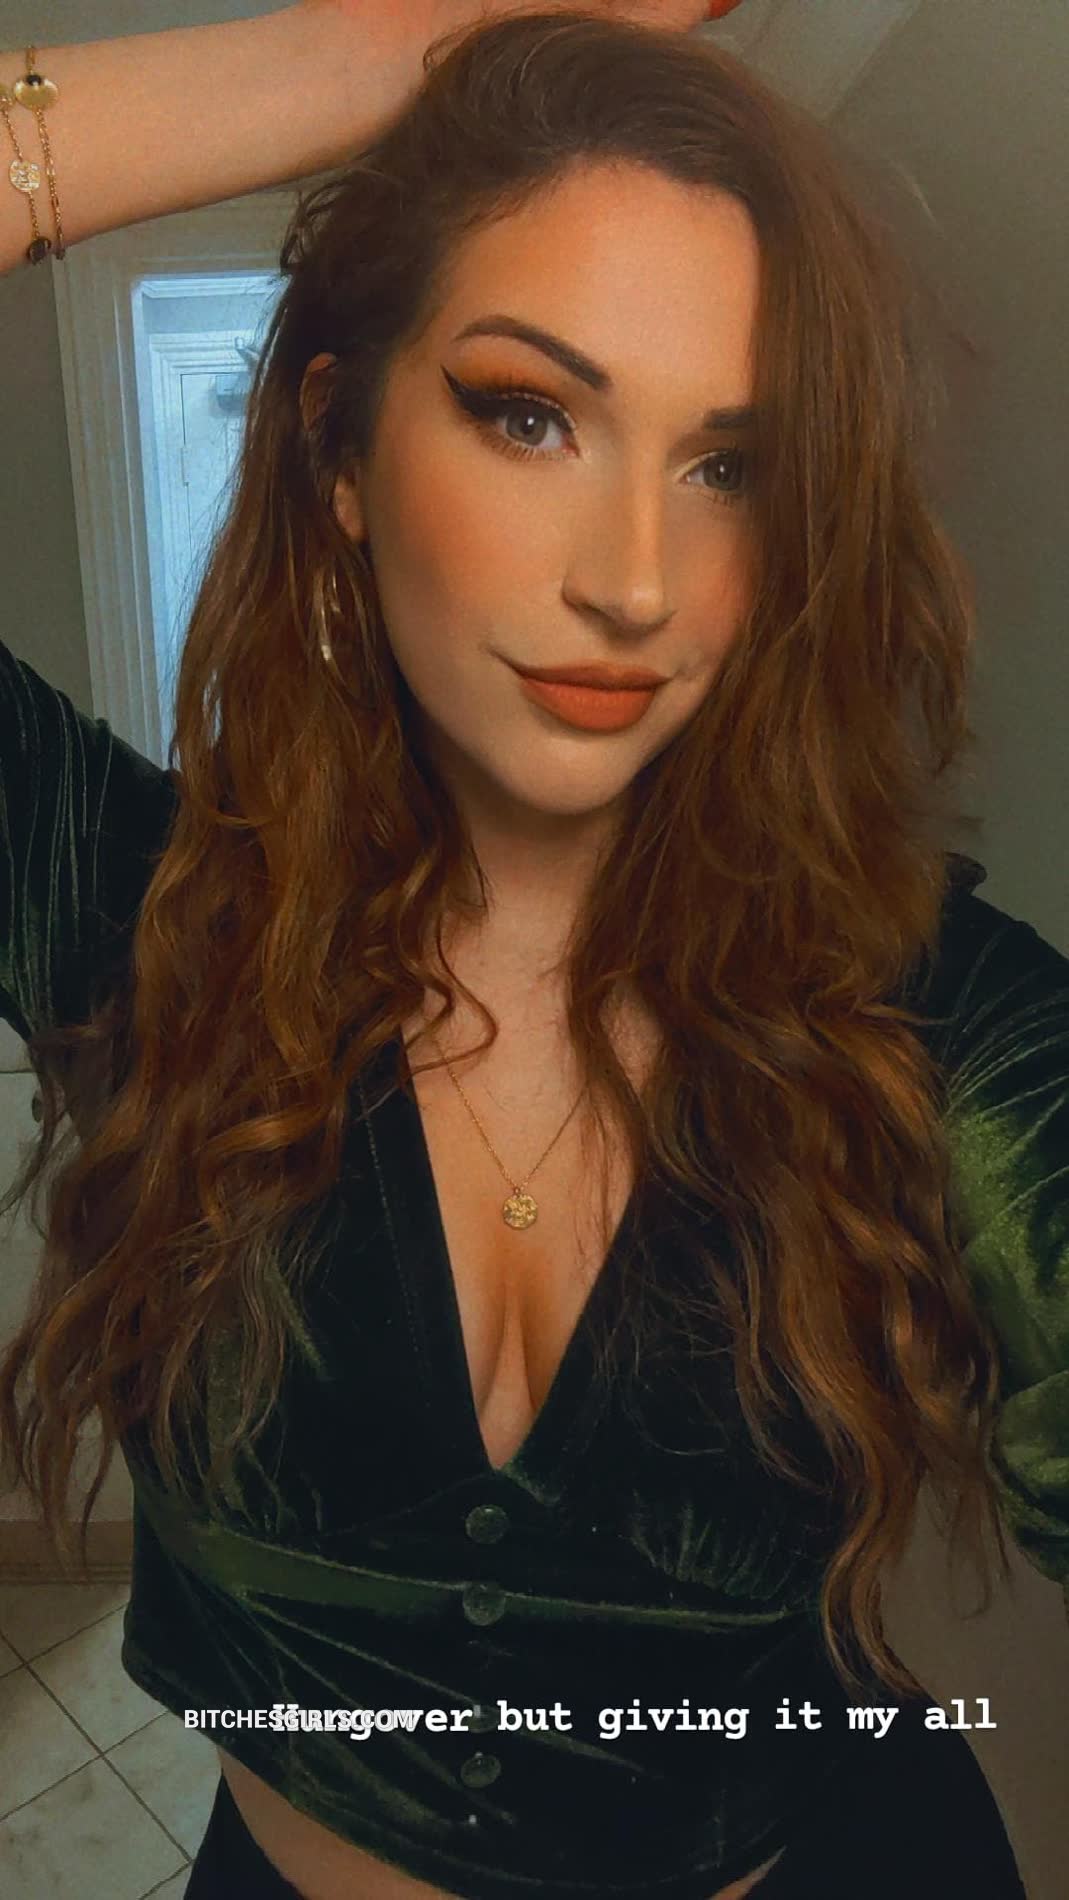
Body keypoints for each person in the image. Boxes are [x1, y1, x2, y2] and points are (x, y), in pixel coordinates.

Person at [0, 5, 1063, 1897]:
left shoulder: (935, 1027)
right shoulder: (128, 920)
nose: (633, 580)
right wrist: (396, 50)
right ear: (335, 447)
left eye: (727, 465)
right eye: (527, 413)